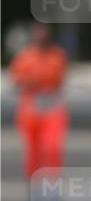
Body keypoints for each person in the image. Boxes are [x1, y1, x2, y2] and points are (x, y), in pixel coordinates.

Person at [10, 23, 69, 180]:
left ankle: (52, 180)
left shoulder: (57, 55)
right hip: (30, 107)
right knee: (32, 148)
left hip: (52, 107)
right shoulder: (25, 57)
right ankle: (33, 179)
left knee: (51, 146)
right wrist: (32, 82)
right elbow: (16, 81)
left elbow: (60, 80)